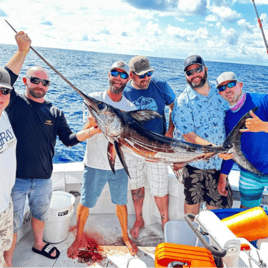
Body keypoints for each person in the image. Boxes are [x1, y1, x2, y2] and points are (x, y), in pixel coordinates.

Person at [4, 31, 92, 266]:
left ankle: (39, 243)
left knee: (40, 215)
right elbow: (3, 79)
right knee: (10, 223)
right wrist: (22, 51)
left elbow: (70, 139)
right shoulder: (13, 102)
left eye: (45, 82)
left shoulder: (56, 112)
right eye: (35, 80)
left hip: (43, 178)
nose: (40, 85)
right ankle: (9, 260)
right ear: (25, 81)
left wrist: (93, 130)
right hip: (15, 180)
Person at [67, 61, 138, 258]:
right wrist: (92, 126)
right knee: (85, 204)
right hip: (94, 163)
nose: (118, 77)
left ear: (128, 79)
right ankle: (79, 237)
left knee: (120, 203)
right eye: (115, 72)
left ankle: (125, 236)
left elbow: (129, 139)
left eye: (123, 75)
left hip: (119, 164)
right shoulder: (95, 100)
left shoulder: (130, 107)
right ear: (109, 74)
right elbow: (83, 132)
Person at [172, 55, 233, 216]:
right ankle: (191, 239)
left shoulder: (221, 94)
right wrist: (216, 149)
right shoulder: (183, 101)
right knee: (192, 204)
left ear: (205, 69)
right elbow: (188, 136)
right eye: (189, 72)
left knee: (216, 209)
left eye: (198, 69)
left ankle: (212, 241)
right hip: (194, 164)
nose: (194, 74)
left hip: (219, 165)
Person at [122, 55, 176, 239]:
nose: (146, 79)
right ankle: (139, 219)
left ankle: (165, 221)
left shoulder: (160, 86)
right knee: (136, 186)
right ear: (131, 75)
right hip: (132, 147)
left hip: (157, 146)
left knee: (160, 188)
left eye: (149, 74)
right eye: (141, 75)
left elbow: (174, 106)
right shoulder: (124, 91)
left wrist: (170, 131)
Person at [216, 71, 268, 208]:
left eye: (231, 84)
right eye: (222, 88)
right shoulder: (227, 117)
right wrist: (223, 176)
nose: (227, 90)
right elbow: (230, 149)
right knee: (247, 216)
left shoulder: (263, 101)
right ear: (220, 93)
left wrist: (263, 126)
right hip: (248, 174)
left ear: (240, 85)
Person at [0, 68, 17, 267]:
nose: (1, 96)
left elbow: (8, 73)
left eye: (5, 91)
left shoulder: (3, 115)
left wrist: (22, 51)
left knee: (5, 251)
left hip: (5, 204)